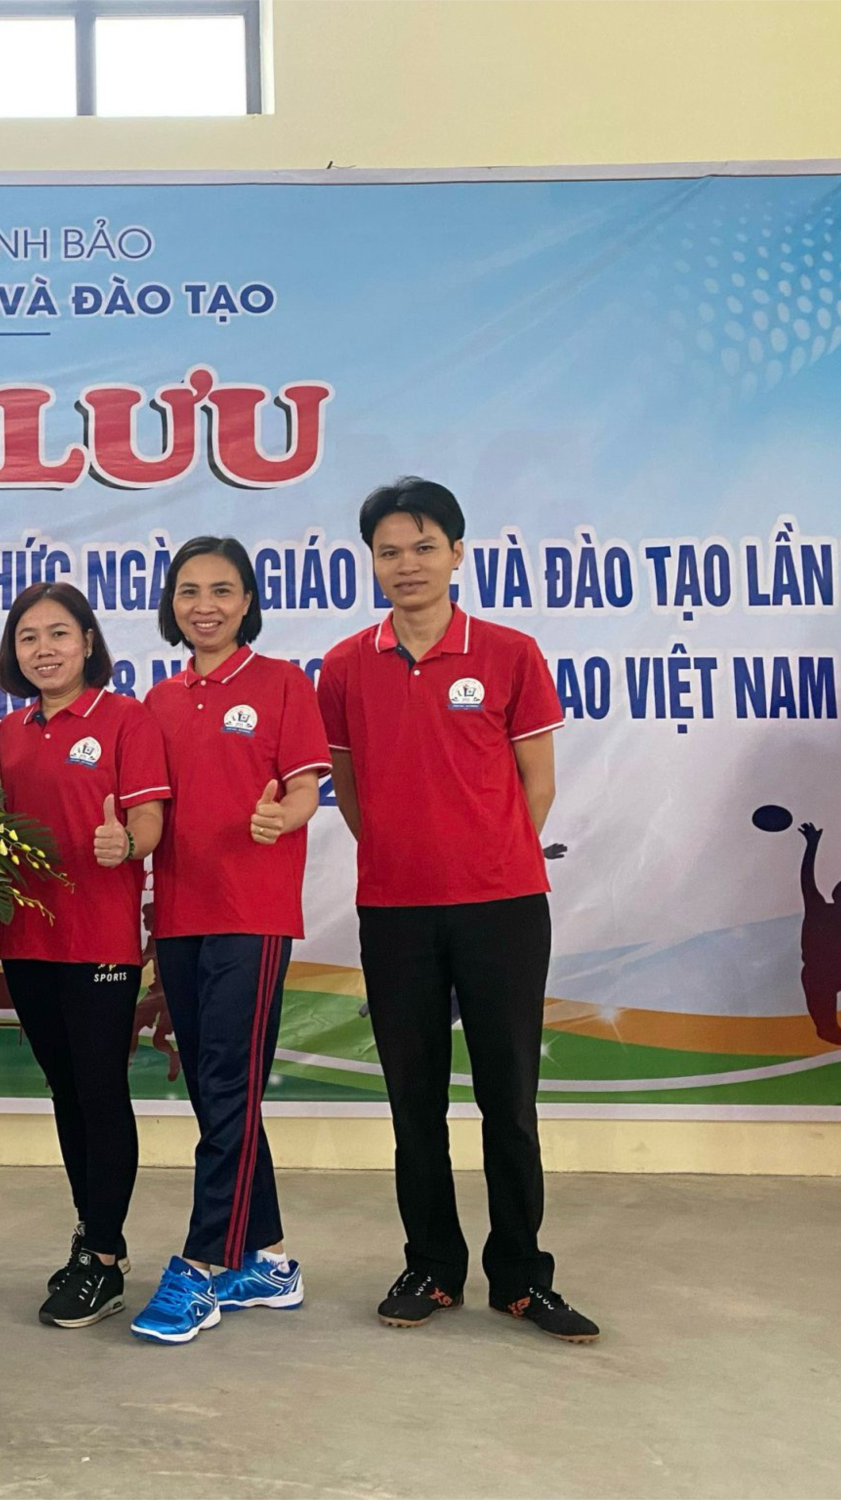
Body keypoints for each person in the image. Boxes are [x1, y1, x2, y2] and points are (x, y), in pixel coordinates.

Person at [318, 477, 598, 1343]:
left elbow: (536, 784)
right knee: (415, 1103)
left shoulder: (510, 652)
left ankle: (521, 1276)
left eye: (424, 547)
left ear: (457, 554)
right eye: (389, 551)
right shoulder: (344, 665)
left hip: (502, 907)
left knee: (509, 1099)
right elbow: (351, 792)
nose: (407, 564)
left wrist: (485, 854)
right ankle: (432, 1266)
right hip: (394, 910)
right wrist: (406, 856)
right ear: (371, 562)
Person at [128, 537, 329, 1347]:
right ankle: (267, 1260)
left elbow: (307, 786)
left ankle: (204, 1263)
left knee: (227, 1084)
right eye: (188, 591)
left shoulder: (282, 684)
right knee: (219, 1093)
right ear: (170, 604)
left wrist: (284, 816)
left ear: (247, 600)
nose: (203, 605)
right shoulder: (159, 700)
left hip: (253, 912)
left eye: (221, 589)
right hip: (180, 915)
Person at [0, 581, 168, 1329]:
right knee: (65, 1090)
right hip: (27, 939)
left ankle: (102, 1256)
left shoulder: (126, 718)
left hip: (98, 938)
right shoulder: (7, 732)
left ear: (88, 642)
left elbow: (151, 818)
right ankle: (94, 1238)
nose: (45, 649)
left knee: (99, 1090)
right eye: (29, 637)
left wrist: (127, 842)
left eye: (59, 633)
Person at [796, 822, 841, 1046]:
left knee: (828, 1032)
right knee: (827, 1031)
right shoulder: (818, 908)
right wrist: (811, 846)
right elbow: (807, 881)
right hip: (819, 974)